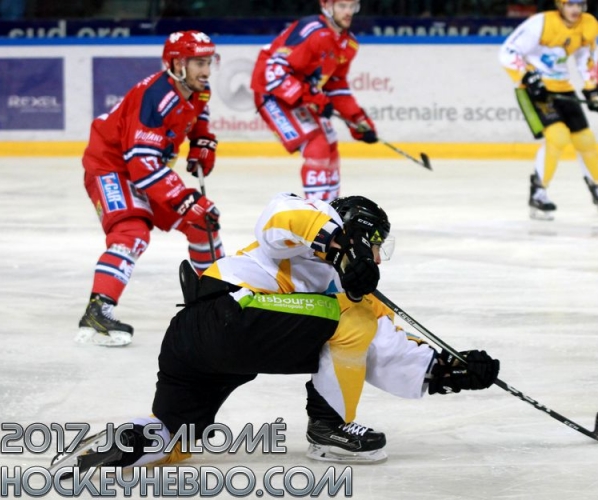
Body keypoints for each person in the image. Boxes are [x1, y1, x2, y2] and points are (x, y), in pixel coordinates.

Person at [49, 193, 500, 471]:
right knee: (353, 319)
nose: (377, 260)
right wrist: (344, 244)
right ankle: (328, 431)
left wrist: (448, 372)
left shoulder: (344, 287)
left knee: (175, 439)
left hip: (193, 341)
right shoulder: (307, 236)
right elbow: (278, 216)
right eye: (375, 247)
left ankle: (90, 458)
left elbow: (379, 348)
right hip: (232, 313)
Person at [77, 31, 225, 347]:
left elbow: (199, 118)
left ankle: (215, 302)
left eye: (208, 61)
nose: (206, 70)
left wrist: (202, 141)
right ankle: (97, 311)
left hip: (144, 168)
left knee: (204, 222)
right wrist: (184, 199)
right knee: (132, 232)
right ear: (176, 63)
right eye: (199, 62)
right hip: (111, 167)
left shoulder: (198, 90)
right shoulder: (154, 96)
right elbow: (140, 162)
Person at [500, 0, 598, 221]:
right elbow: (507, 52)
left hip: (563, 87)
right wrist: (528, 76)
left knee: (585, 139)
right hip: (534, 90)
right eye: (570, 4)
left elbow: (586, 58)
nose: (575, 9)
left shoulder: (588, 25)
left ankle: (597, 189)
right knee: (557, 136)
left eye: (580, 4)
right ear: (560, 5)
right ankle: (538, 192)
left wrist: (591, 90)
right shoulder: (541, 24)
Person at [250, 0, 379, 202]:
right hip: (272, 93)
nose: (348, 12)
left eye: (353, 6)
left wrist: (357, 119)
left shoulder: (348, 44)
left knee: (330, 143)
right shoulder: (312, 31)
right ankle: (317, 216)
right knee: (316, 144)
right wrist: (314, 98)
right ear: (327, 7)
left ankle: (331, 210)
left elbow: (335, 86)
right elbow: (273, 72)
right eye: (342, 6)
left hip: (300, 93)